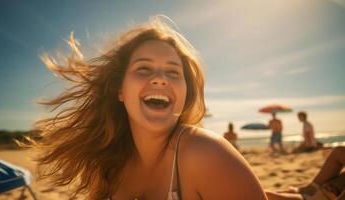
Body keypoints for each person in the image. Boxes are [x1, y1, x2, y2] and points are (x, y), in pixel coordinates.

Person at [32, 17, 267, 199]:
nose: (160, 79)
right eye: (144, 69)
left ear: (185, 93)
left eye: (174, 72)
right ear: (120, 90)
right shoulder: (107, 164)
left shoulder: (205, 154)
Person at [266, 146, 345, 200]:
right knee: (338, 151)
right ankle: (311, 189)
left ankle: (314, 191)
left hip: (325, 195)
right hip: (325, 192)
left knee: (266, 195)